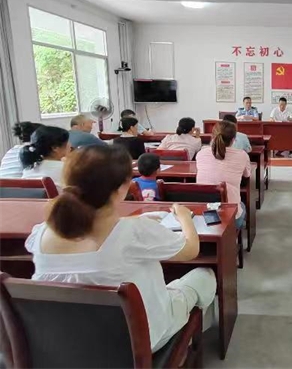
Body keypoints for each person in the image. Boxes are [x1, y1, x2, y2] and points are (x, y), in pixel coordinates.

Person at [24, 145, 216, 352]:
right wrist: (185, 218)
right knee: (205, 275)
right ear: (122, 187)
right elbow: (191, 250)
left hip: (65, 345)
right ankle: (185, 344)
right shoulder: (135, 231)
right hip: (134, 344)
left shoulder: (41, 232)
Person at [196, 121, 251, 229]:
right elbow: (247, 175)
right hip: (230, 217)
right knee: (242, 205)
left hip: (203, 215)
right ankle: (233, 234)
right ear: (233, 139)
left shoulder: (201, 153)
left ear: (212, 136)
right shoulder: (242, 155)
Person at [20, 125, 70, 190]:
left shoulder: (28, 169)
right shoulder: (66, 169)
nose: (70, 144)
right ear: (55, 148)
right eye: (67, 142)